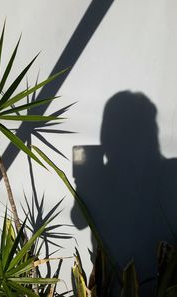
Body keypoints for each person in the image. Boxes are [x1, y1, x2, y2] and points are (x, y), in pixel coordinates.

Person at [71, 91, 177, 296]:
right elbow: (78, 220)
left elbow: (78, 221)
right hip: (108, 283)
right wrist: (84, 182)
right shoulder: (104, 175)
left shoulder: (170, 172)